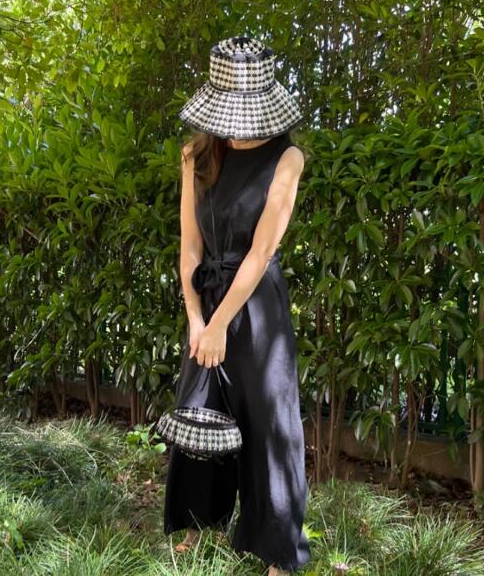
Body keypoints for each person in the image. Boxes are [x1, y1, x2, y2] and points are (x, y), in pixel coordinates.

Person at [162, 35, 312, 575]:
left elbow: (262, 250)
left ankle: (279, 550)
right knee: (201, 411)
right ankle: (197, 521)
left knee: (270, 423)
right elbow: (190, 246)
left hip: (257, 306)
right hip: (206, 303)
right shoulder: (196, 154)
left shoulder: (287, 158)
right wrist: (196, 318)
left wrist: (221, 322)